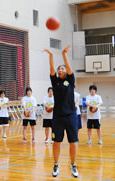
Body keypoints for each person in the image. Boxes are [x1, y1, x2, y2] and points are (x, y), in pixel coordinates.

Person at [44, 45, 79, 178]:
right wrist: (51, 55)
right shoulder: (55, 81)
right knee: (56, 142)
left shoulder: (70, 80)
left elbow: (68, 68)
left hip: (71, 116)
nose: (60, 69)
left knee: (73, 142)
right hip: (58, 117)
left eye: (62, 68)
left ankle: (73, 164)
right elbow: (51, 68)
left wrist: (64, 54)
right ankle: (56, 164)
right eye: (59, 68)